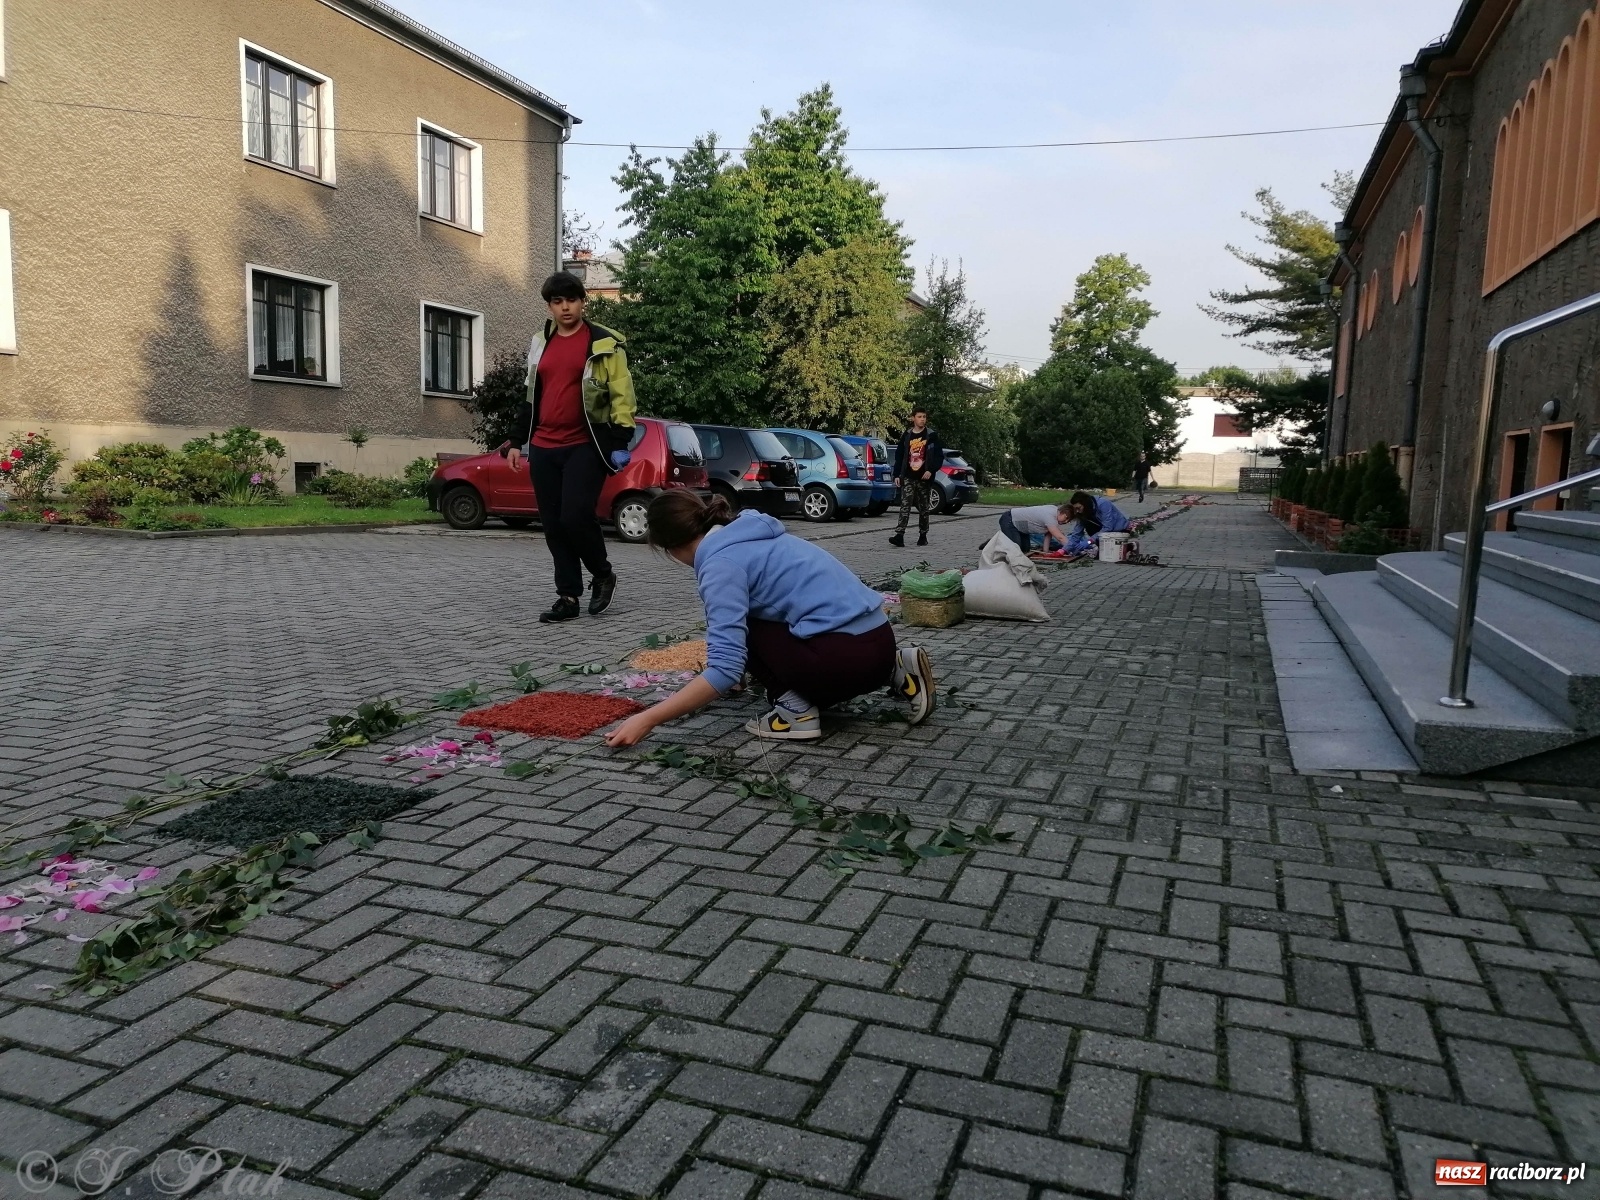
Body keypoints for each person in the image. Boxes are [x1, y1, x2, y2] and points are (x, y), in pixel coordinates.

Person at [605, 492, 936, 745]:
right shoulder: (754, 535)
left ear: (668, 547)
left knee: (744, 626)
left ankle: (796, 713)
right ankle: (897, 669)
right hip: (879, 644)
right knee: (754, 621)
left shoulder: (721, 565)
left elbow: (724, 667)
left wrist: (647, 719)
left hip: (842, 665)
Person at [504, 272, 636, 623]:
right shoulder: (541, 342)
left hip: (585, 444)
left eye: (571, 300)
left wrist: (621, 441)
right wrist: (517, 440)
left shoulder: (604, 343)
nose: (565, 308)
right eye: (557, 302)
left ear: (582, 302)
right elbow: (530, 394)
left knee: (575, 516)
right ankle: (568, 596)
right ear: (549, 306)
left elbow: (622, 395)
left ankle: (603, 573)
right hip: (544, 446)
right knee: (553, 524)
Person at [888, 408, 944, 548]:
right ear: (913, 418)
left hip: (924, 477)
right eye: (919, 417)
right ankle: (899, 535)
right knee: (905, 505)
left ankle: (923, 535)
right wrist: (897, 474)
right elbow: (900, 455)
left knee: (923, 507)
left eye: (924, 417)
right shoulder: (907, 435)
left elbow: (938, 456)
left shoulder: (931, 435)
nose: (922, 419)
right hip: (908, 475)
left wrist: (931, 470)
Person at [1063, 490, 1131, 554]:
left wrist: (1089, 541)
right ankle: (1101, 546)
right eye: (1075, 509)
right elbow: (1077, 533)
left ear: (1085, 504)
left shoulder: (1103, 504)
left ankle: (1130, 546)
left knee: (1114, 552)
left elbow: (1108, 527)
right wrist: (1064, 550)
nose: (1077, 511)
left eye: (1078, 508)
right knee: (1088, 525)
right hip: (1102, 532)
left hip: (1118, 530)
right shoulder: (1083, 512)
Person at [998, 502, 1073, 553]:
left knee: (1025, 550)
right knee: (1015, 550)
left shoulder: (1054, 513)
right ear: (1063, 513)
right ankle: (994, 546)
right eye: (1066, 518)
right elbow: (1060, 538)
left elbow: (1048, 535)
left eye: (1068, 520)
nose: (1066, 522)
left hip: (1021, 528)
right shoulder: (1050, 517)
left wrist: (1045, 552)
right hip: (1010, 521)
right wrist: (1073, 548)